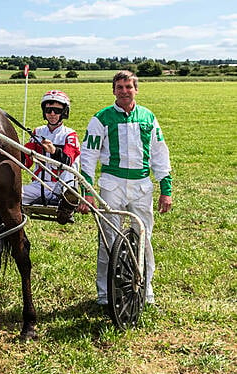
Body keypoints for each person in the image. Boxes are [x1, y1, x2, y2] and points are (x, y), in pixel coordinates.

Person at [78, 70, 172, 306]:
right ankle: (105, 294)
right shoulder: (101, 118)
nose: (124, 91)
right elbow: (88, 156)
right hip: (112, 184)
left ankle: (145, 290)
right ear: (113, 91)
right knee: (108, 240)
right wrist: (87, 192)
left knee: (144, 238)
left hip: (142, 185)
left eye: (128, 86)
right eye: (119, 87)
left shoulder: (148, 117)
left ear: (135, 89)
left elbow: (160, 153)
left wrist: (166, 189)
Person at [0, 90, 80, 271]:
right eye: (49, 110)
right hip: (38, 186)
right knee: (6, 205)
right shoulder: (37, 132)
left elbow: (69, 160)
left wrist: (54, 151)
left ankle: (68, 205)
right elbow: (24, 160)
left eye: (57, 110)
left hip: (62, 184)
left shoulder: (70, 135)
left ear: (64, 112)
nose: (52, 114)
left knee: (68, 193)